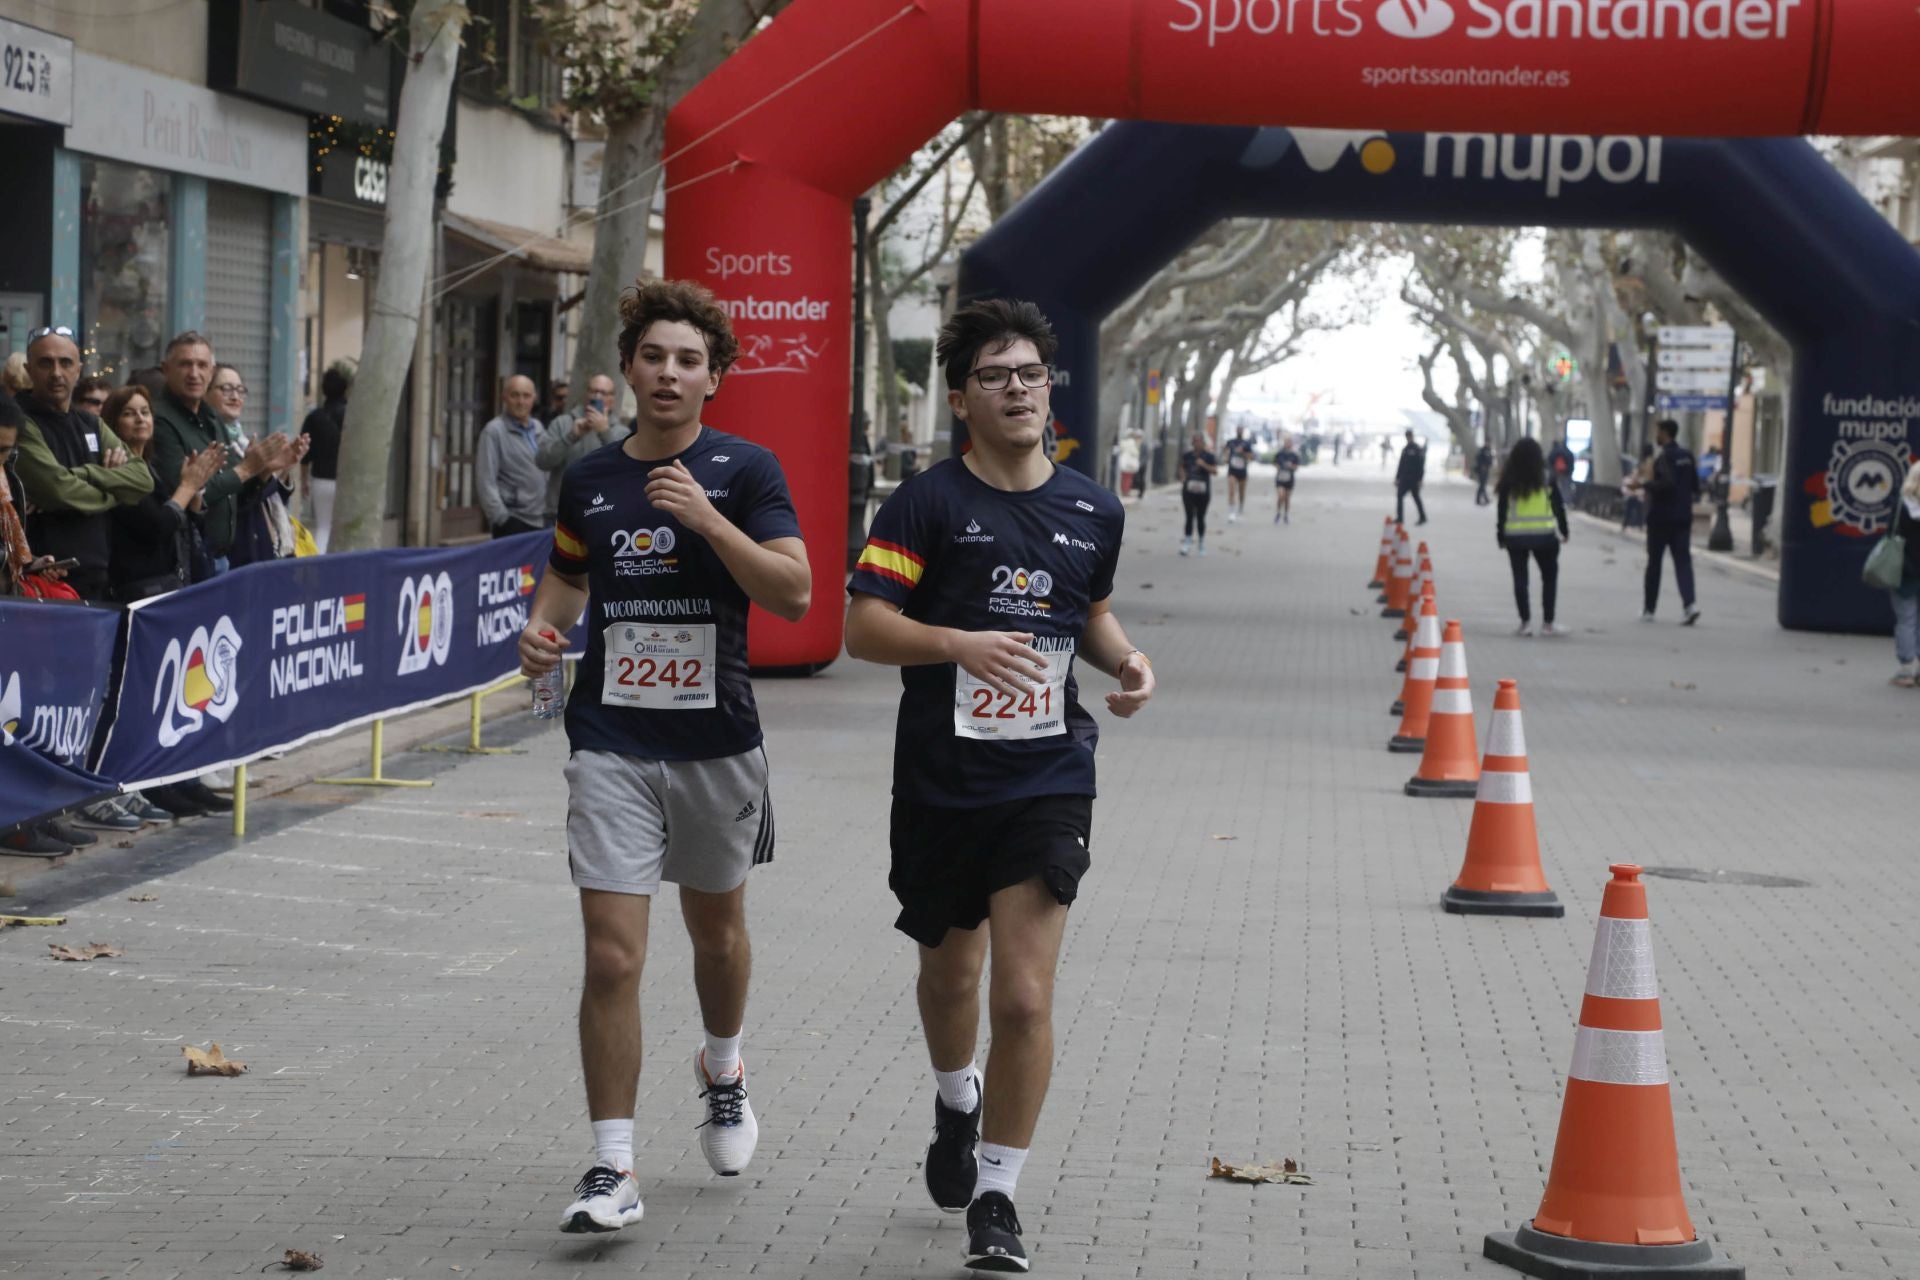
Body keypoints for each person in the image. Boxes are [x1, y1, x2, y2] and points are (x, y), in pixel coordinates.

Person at [844, 297, 1154, 1274]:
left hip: (1048, 772)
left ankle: (998, 1194)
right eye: (995, 375)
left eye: (1030, 373)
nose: (1017, 388)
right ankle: (954, 1098)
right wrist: (956, 641)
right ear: (961, 397)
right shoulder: (928, 502)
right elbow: (863, 625)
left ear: (1048, 388)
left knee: (1021, 996)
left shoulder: (1092, 508)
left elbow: (1089, 614)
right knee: (952, 973)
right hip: (941, 776)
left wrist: (1127, 660)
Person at [515, 279, 810, 1235]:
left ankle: (722, 1067)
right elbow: (565, 578)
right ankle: (613, 1165)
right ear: (631, 369)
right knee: (611, 955)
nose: (670, 372)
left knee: (716, 936)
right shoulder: (592, 479)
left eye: (689, 360)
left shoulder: (747, 470)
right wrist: (539, 632)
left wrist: (710, 522)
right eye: (654, 357)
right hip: (611, 739)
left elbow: (798, 594)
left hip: (716, 745)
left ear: (713, 377)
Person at [10, 327, 155, 603]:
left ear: (79, 368)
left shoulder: (91, 423)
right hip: (42, 580)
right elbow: (58, 490)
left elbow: (142, 479)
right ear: (29, 369)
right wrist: (115, 490)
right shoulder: (19, 419)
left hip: (97, 574)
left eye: (65, 363)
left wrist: (84, 474)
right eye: (45, 363)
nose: (56, 373)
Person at [150, 332, 293, 577]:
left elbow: (233, 490)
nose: (194, 373)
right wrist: (247, 469)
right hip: (184, 561)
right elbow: (188, 494)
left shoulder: (211, 416)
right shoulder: (159, 419)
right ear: (166, 369)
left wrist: (262, 471)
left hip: (223, 557)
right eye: (185, 364)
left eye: (202, 365)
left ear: (211, 370)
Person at [208, 364, 308, 567]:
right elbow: (237, 499)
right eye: (226, 389)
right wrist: (262, 468)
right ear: (206, 393)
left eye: (240, 390)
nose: (235, 397)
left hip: (266, 547)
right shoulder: (212, 443)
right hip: (237, 553)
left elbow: (269, 497)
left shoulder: (244, 440)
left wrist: (284, 467)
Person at [1495, 438, 1571, 637]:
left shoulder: (1509, 479)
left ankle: (1525, 623)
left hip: (1516, 537)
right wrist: (1564, 530)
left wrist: (1500, 535)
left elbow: (1502, 510)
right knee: (1549, 578)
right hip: (1544, 537)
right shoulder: (1547, 477)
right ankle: (1548, 624)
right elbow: (1558, 506)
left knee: (1520, 579)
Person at [535, 371, 628, 524]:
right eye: (593, 391)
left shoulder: (621, 432)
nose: (597, 397)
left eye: (603, 393)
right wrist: (571, 436)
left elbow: (625, 470)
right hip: (559, 514)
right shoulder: (562, 423)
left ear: (612, 400)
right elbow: (542, 462)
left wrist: (604, 433)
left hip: (603, 515)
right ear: (586, 395)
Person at [1643, 418, 1702, 625]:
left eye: (1657, 431)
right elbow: (1695, 486)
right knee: (1683, 562)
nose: (1655, 436)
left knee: (1654, 564)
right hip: (1682, 518)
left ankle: (1649, 609)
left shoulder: (1663, 458)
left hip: (1660, 518)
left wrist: (1646, 485)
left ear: (1665, 433)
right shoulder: (1687, 456)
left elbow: (1666, 484)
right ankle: (1690, 604)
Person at [477, 375, 548, 537]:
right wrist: (502, 519)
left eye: (526, 395)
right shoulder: (494, 431)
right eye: (515, 395)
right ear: (504, 398)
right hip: (513, 520)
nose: (521, 401)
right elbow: (485, 481)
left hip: (542, 520)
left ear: (534, 398)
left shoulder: (538, 428)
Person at [300, 362, 351, 552]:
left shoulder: (314, 417)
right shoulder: (352, 416)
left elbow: (304, 454)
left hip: (321, 479)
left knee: (323, 527)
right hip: (347, 479)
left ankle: (321, 564)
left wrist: (304, 481)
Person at [1887, 462, 1920, 688]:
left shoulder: (1902, 507)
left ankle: (1906, 669)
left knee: (1906, 619)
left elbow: (1890, 535)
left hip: (1905, 570)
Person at [1178, 430, 1217, 556]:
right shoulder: (1188, 455)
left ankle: (1201, 542)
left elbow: (1215, 471)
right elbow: (1182, 467)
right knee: (1189, 516)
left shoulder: (1209, 456)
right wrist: (1183, 477)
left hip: (1203, 491)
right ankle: (1187, 542)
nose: (1197, 444)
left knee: (1200, 517)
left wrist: (1204, 464)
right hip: (1189, 490)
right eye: (1195, 441)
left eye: (1199, 441)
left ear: (1203, 443)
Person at [1395, 430, 1427, 525]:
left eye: (1409, 436)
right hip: (1404, 478)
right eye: (1407, 436)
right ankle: (1400, 518)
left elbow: (1421, 466)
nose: (1408, 438)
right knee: (1399, 496)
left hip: (1414, 479)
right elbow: (1401, 465)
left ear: (1412, 436)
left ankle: (1423, 517)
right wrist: (1397, 477)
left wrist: (1420, 479)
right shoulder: (1405, 449)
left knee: (1416, 497)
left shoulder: (1418, 449)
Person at [1621, 442, 1654, 531]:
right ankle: (1640, 525)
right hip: (1645, 488)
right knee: (1640, 507)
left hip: (1644, 488)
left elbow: (1643, 475)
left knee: (1641, 507)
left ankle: (1636, 524)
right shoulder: (1651, 461)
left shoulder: (1647, 462)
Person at [1222, 428, 1253, 521]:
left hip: (1242, 470)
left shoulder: (1246, 443)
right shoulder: (1231, 442)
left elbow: (1250, 457)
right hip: (1232, 470)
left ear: (1243, 432)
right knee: (1231, 490)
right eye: (1238, 430)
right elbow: (1225, 451)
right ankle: (1231, 512)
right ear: (1236, 431)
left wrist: (1242, 452)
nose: (1239, 431)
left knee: (1241, 491)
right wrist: (1226, 458)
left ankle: (1240, 506)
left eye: (1241, 430)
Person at [1272, 434, 1302, 525]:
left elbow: (1296, 467)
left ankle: (1286, 514)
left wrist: (1291, 466)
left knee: (1287, 498)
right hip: (1280, 478)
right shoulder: (1279, 453)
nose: (1287, 444)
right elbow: (1274, 463)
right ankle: (1278, 513)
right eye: (1286, 442)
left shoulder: (1294, 455)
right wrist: (1279, 466)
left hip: (1290, 479)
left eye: (1289, 443)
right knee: (1281, 496)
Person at [1115, 429, 1141, 499]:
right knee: (1128, 478)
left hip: (1124, 462)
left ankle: (1123, 490)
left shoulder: (1123, 442)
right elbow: (1135, 452)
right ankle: (1126, 491)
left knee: (1124, 477)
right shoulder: (1132, 442)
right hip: (1130, 463)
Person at [1473, 441, 1494, 506]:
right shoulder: (1482, 450)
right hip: (1482, 470)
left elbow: (1490, 459)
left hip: (1486, 469)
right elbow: (1478, 458)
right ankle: (1479, 499)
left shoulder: (1489, 450)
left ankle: (1484, 499)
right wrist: (1482, 465)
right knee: (1482, 485)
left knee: (1483, 485)